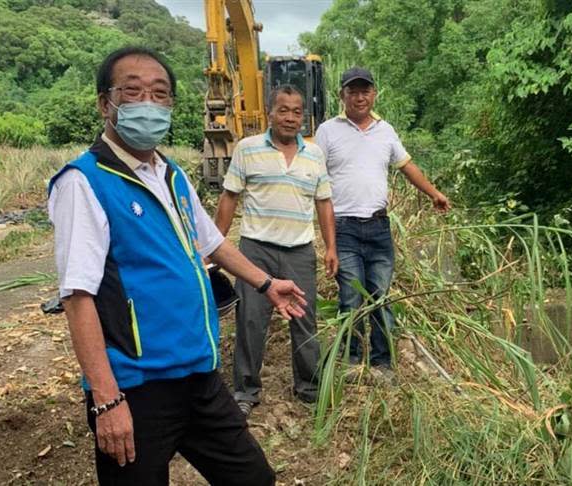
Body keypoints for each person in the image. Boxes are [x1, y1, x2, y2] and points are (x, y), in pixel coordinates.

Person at [48, 47, 307, 486]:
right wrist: (107, 400)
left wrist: (266, 284)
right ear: (104, 103)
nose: (148, 103)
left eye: (160, 93)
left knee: (253, 478)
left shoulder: (170, 175)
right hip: (136, 387)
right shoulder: (83, 182)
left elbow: (212, 242)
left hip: (198, 373)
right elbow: (77, 297)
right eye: (133, 92)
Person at [315, 67, 450, 376]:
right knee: (350, 298)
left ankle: (382, 363)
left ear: (374, 94)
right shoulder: (327, 131)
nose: (359, 97)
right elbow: (314, 177)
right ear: (342, 96)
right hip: (344, 227)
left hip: (378, 228)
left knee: (380, 297)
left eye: (365, 91)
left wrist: (434, 194)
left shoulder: (385, 131)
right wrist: (327, 241)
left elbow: (407, 166)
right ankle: (350, 362)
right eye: (353, 91)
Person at [215, 84, 338, 417]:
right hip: (256, 250)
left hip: (299, 250)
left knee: (304, 319)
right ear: (269, 112)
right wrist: (214, 245)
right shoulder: (248, 148)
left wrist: (331, 247)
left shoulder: (314, 155)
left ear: (303, 117)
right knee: (251, 321)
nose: (290, 117)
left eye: (297, 111)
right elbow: (229, 197)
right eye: (283, 110)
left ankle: (310, 387)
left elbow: (324, 203)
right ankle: (246, 390)